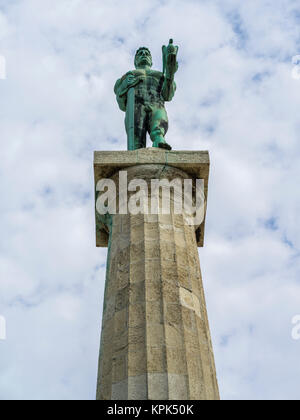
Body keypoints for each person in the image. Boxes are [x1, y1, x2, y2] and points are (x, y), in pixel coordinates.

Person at [114, 41, 178, 150]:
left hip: (156, 104)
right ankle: (136, 150)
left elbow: (168, 95)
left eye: (147, 53)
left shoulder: (160, 76)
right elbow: (121, 104)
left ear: (152, 61)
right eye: (140, 53)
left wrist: (170, 74)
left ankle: (159, 140)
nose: (144, 54)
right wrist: (125, 85)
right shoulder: (128, 75)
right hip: (136, 106)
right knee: (136, 137)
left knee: (158, 125)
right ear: (135, 61)